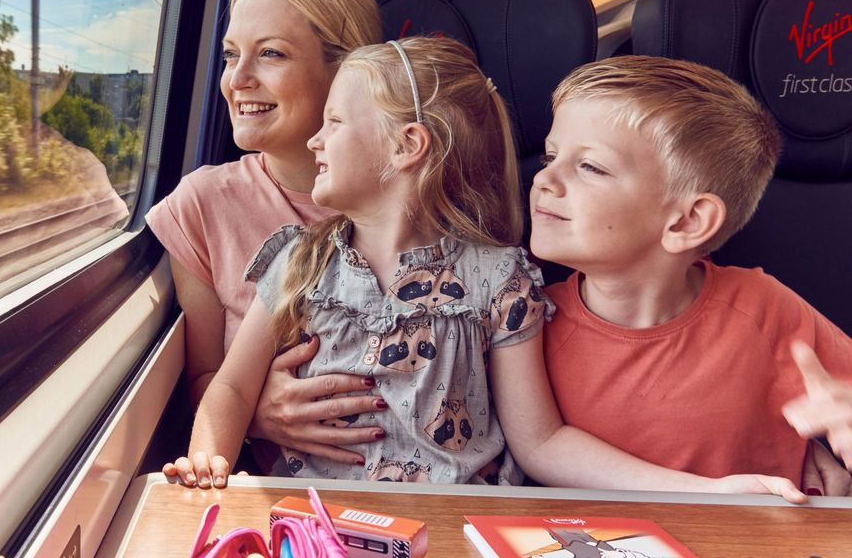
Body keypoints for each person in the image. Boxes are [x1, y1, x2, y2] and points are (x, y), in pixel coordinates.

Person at [164, 38, 804, 499]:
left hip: (460, 518)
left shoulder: (501, 281)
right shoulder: (298, 260)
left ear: (407, 147)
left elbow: (541, 444)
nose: (314, 140)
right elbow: (232, 389)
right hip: (316, 519)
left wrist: (706, 491)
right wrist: (209, 467)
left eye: (334, 122)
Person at [535, 56, 852, 492]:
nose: (544, 179)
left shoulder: (762, 307)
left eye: (590, 166)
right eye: (550, 156)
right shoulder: (531, 320)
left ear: (687, 222)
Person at [145, 0, 390, 463]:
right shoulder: (203, 204)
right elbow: (203, 380)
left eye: (271, 54)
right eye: (231, 55)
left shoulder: (410, 204)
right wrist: (261, 413)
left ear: (346, 73)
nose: (237, 79)